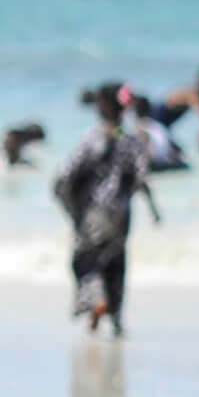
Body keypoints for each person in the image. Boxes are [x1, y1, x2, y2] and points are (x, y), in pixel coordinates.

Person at [52, 85, 159, 333]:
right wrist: (154, 210)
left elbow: (65, 175)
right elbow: (143, 179)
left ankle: (96, 300)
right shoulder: (133, 140)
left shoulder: (92, 138)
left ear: (104, 107)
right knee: (115, 264)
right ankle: (116, 319)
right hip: (121, 214)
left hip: (94, 212)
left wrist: (70, 207)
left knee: (86, 261)